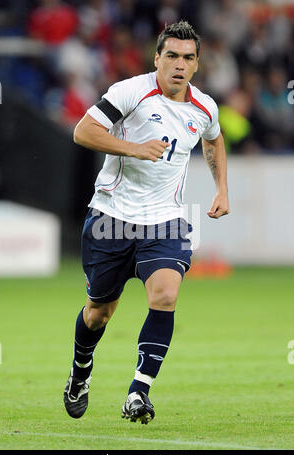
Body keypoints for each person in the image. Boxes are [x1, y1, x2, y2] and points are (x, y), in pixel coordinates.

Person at [63, 20, 229, 424]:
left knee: (166, 296)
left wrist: (222, 188)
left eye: (188, 58)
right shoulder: (130, 92)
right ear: (157, 58)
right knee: (98, 313)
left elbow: (214, 137)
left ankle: (139, 392)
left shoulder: (204, 106)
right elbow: (83, 132)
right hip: (111, 219)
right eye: (171, 55)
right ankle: (80, 373)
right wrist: (133, 149)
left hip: (165, 221)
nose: (178, 64)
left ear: (196, 65)